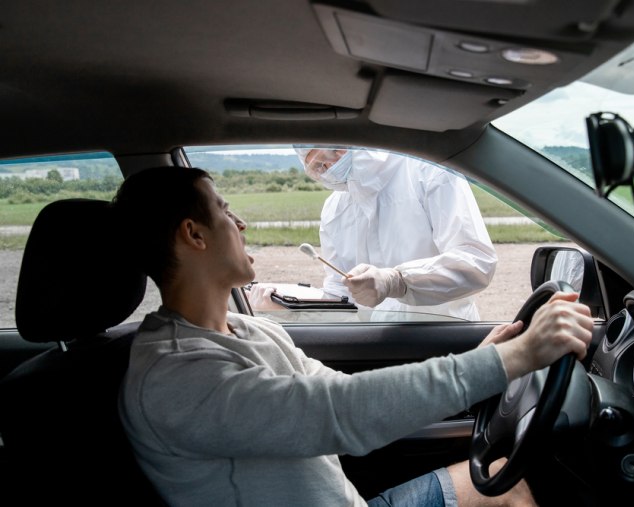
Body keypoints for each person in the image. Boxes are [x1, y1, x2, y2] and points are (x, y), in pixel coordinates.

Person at [113, 166, 594, 507]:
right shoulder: (176, 376)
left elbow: (345, 394)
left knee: (506, 483)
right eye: (224, 211)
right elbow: (342, 411)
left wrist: (485, 361)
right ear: (194, 235)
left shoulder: (248, 329)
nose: (241, 224)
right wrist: (515, 357)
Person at [251, 148, 498, 320]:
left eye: (332, 154)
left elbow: (476, 262)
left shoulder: (427, 171)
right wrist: (290, 307)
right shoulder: (334, 208)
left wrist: (398, 281)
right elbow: (339, 293)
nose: (329, 168)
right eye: (318, 166)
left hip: (443, 335)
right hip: (376, 342)